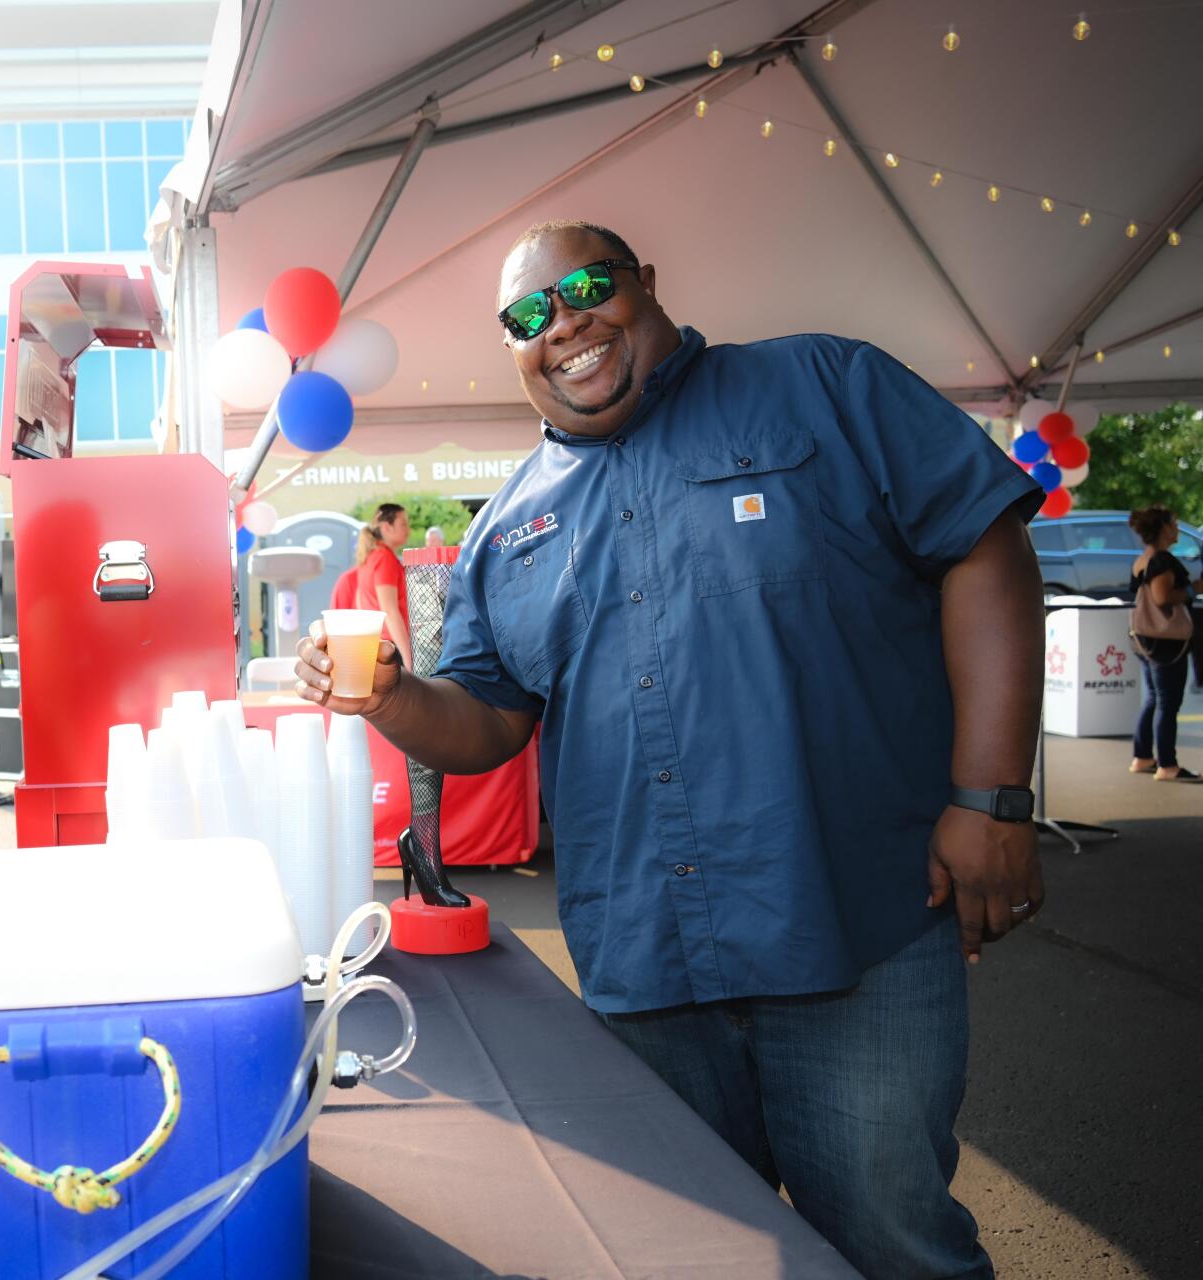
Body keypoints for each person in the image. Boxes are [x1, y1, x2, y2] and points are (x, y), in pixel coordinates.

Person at [296, 220, 1046, 1278]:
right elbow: (485, 720)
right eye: (526, 315)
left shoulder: (822, 385)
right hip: (649, 966)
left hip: (855, 930)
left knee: (893, 1241)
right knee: (708, 1254)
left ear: (644, 284)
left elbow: (986, 543)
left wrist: (992, 798)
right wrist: (386, 694)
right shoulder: (507, 526)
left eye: (585, 287)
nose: (562, 324)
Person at [1126, 504, 1196, 781]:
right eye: (1174, 522)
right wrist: (1194, 589)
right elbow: (1163, 597)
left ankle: (1143, 756)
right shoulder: (1162, 560)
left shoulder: (1143, 558)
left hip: (1144, 637)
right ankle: (1168, 764)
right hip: (1164, 640)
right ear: (1164, 528)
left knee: (1155, 698)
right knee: (1168, 702)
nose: (1177, 527)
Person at [354, 502, 413, 669]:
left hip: (375, 645)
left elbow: (360, 603)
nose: (408, 530)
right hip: (391, 648)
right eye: (403, 523)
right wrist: (409, 659)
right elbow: (390, 610)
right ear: (387, 527)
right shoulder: (384, 558)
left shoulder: (369, 557)